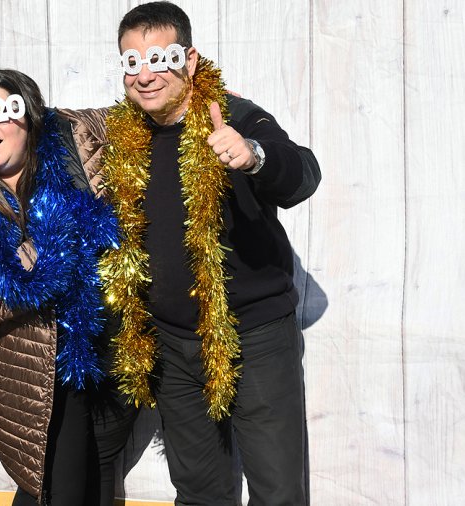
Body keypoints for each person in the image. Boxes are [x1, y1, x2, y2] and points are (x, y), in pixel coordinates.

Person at [96, 2, 322, 505]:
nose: (146, 74)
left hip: (255, 338)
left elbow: (303, 173)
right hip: (173, 347)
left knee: (278, 491)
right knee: (199, 490)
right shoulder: (122, 137)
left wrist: (253, 155)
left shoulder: (237, 116)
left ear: (190, 59)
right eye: (132, 61)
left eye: (160, 57)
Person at [0, 69, 117, 505]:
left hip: (99, 352)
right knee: (52, 489)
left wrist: (198, 101)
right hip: (29, 371)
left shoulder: (71, 138)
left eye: (2, 110)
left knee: (93, 483)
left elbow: (141, 111)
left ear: (30, 116)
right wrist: (42, 255)